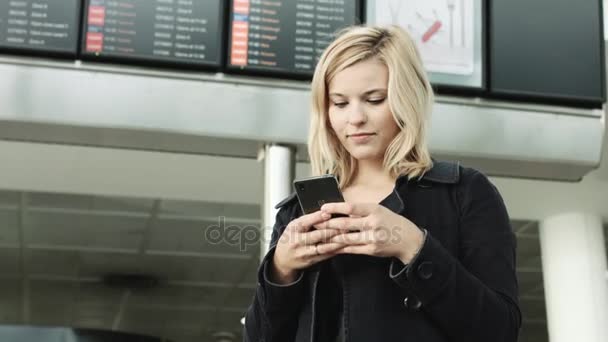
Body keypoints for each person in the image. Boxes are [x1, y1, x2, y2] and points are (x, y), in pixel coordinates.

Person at [243, 25, 521, 342]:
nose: (355, 118)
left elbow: (500, 331)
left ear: (407, 100)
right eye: (340, 103)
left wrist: (414, 247)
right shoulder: (297, 212)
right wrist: (281, 269)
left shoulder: (464, 193)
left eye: (374, 100)